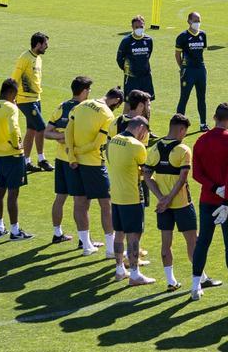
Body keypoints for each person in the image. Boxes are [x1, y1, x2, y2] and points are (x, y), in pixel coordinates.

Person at [190, 102, 228, 302]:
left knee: (203, 242)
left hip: (207, 199)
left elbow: (197, 174)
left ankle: (195, 286)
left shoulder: (201, 141)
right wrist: (225, 200)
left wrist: (213, 188)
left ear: (215, 117)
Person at [66, 87, 124, 257]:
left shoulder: (82, 105)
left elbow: (69, 131)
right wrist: (80, 151)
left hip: (74, 163)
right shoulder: (107, 115)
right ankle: (110, 249)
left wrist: (72, 154)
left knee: (80, 203)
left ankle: (86, 246)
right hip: (93, 164)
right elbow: (97, 144)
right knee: (106, 205)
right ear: (116, 101)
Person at [144, 114, 197, 291]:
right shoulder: (183, 150)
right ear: (181, 130)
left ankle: (170, 281)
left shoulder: (155, 148)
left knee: (166, 243)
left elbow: (146, 175)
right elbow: (182, 179)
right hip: (182, 204)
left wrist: (161, 198)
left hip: (163, 207)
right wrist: (168, 199)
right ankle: (200, 278)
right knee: (193, 242)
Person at [106, 116, 155, 285]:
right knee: (134, 236)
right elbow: (145, 170)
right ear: (141, 128)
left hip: (117, 196)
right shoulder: (137, 146)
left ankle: (120, 270)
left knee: (119, 233)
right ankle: (135, 274)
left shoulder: (113, 141)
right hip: (132, 197)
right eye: (146, 132)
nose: (145, 136)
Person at [44, 76, 92, 245]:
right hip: (75, 161)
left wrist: (61, 136)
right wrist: (67, 137)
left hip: (60, 159)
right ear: (84, 91)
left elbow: (47, 132)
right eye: (89, 91)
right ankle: (83, 240)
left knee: (60, 197)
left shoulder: (61, 107)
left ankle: (57, 234)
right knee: (81, 201)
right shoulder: (84, 109)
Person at [0, 78, 32, 240]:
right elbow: (14, 129)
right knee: (13, 193)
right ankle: (15, 231)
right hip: (13, 155)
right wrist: (17, 146)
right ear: (11, 92)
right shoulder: (10, 107)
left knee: (0, 191)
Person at [12, 32, 51, 172]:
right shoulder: (25, 58)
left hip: (36, 99)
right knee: (41, 127)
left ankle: (26, 161)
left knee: (32, 129)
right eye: (45, 44)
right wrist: (12, 98)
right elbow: (14, 79)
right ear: (38, 44)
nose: (47, 47)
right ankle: (42, 159)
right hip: (25, 100)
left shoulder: (38, 58)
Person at [175, 12, 208, 131]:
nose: (197, 23)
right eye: (195, 20)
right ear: (188, 21)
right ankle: (178, 124)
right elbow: (177, 55)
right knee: (184, 98)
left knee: (202, 97)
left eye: (199, 20)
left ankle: (203, 123)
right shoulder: (182, 36)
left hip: (200, 70)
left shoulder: (203, 35)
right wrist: (182, 67)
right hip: (188, 71)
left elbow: (202, 51)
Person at [118, 15, 155, 98]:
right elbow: (119, 58)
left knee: (147, 102)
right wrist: (127, 69)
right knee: (129, 103)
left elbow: (148, 56)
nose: (139, 29)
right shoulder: (126, 41)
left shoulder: (149, 40)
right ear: (132, 27)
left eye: (141, 26)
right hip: (132, 77)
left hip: (146, 76)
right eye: (136, 27)